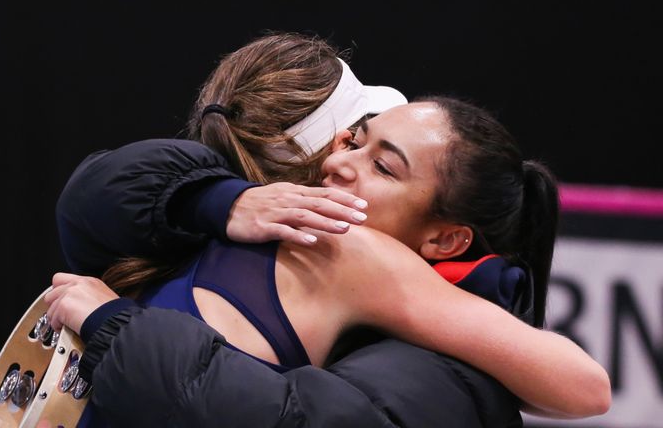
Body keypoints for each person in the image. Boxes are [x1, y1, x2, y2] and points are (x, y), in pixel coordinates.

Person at [50, 33, 610, 426]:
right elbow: (94, 193)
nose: (345, 162)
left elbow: (585, 386)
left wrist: (114, 326)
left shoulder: (348, 246)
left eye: (383, 166)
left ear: (445, 239)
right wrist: (221, 202)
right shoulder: (219, 216)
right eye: (355, 138)